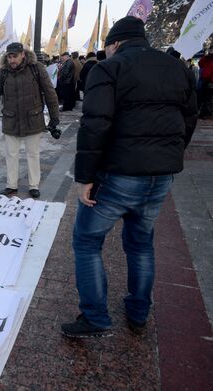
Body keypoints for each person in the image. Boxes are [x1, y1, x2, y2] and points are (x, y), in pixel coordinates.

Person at [61, 16, 198, 338]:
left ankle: (94, 316)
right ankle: (138, 313)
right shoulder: (178, 68)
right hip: (160, 176)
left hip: (118, 175)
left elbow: (95, 125)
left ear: (115, 43)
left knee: (86, 241)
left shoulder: (110, 68)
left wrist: (85, 177)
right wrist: (170, 156)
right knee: (140, 245)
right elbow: (189, 119)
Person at [0, 42, 60, 198]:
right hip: (11, 120)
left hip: (33, 119)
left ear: (23, 54)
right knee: (11, 154)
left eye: (14, 56)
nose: (12, 60)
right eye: (9, 57)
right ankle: (11, 185)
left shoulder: (37, 69)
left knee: (33, 154)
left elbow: (50, 94)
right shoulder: (3, 73)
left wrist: (54, 117)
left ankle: (33, 185)